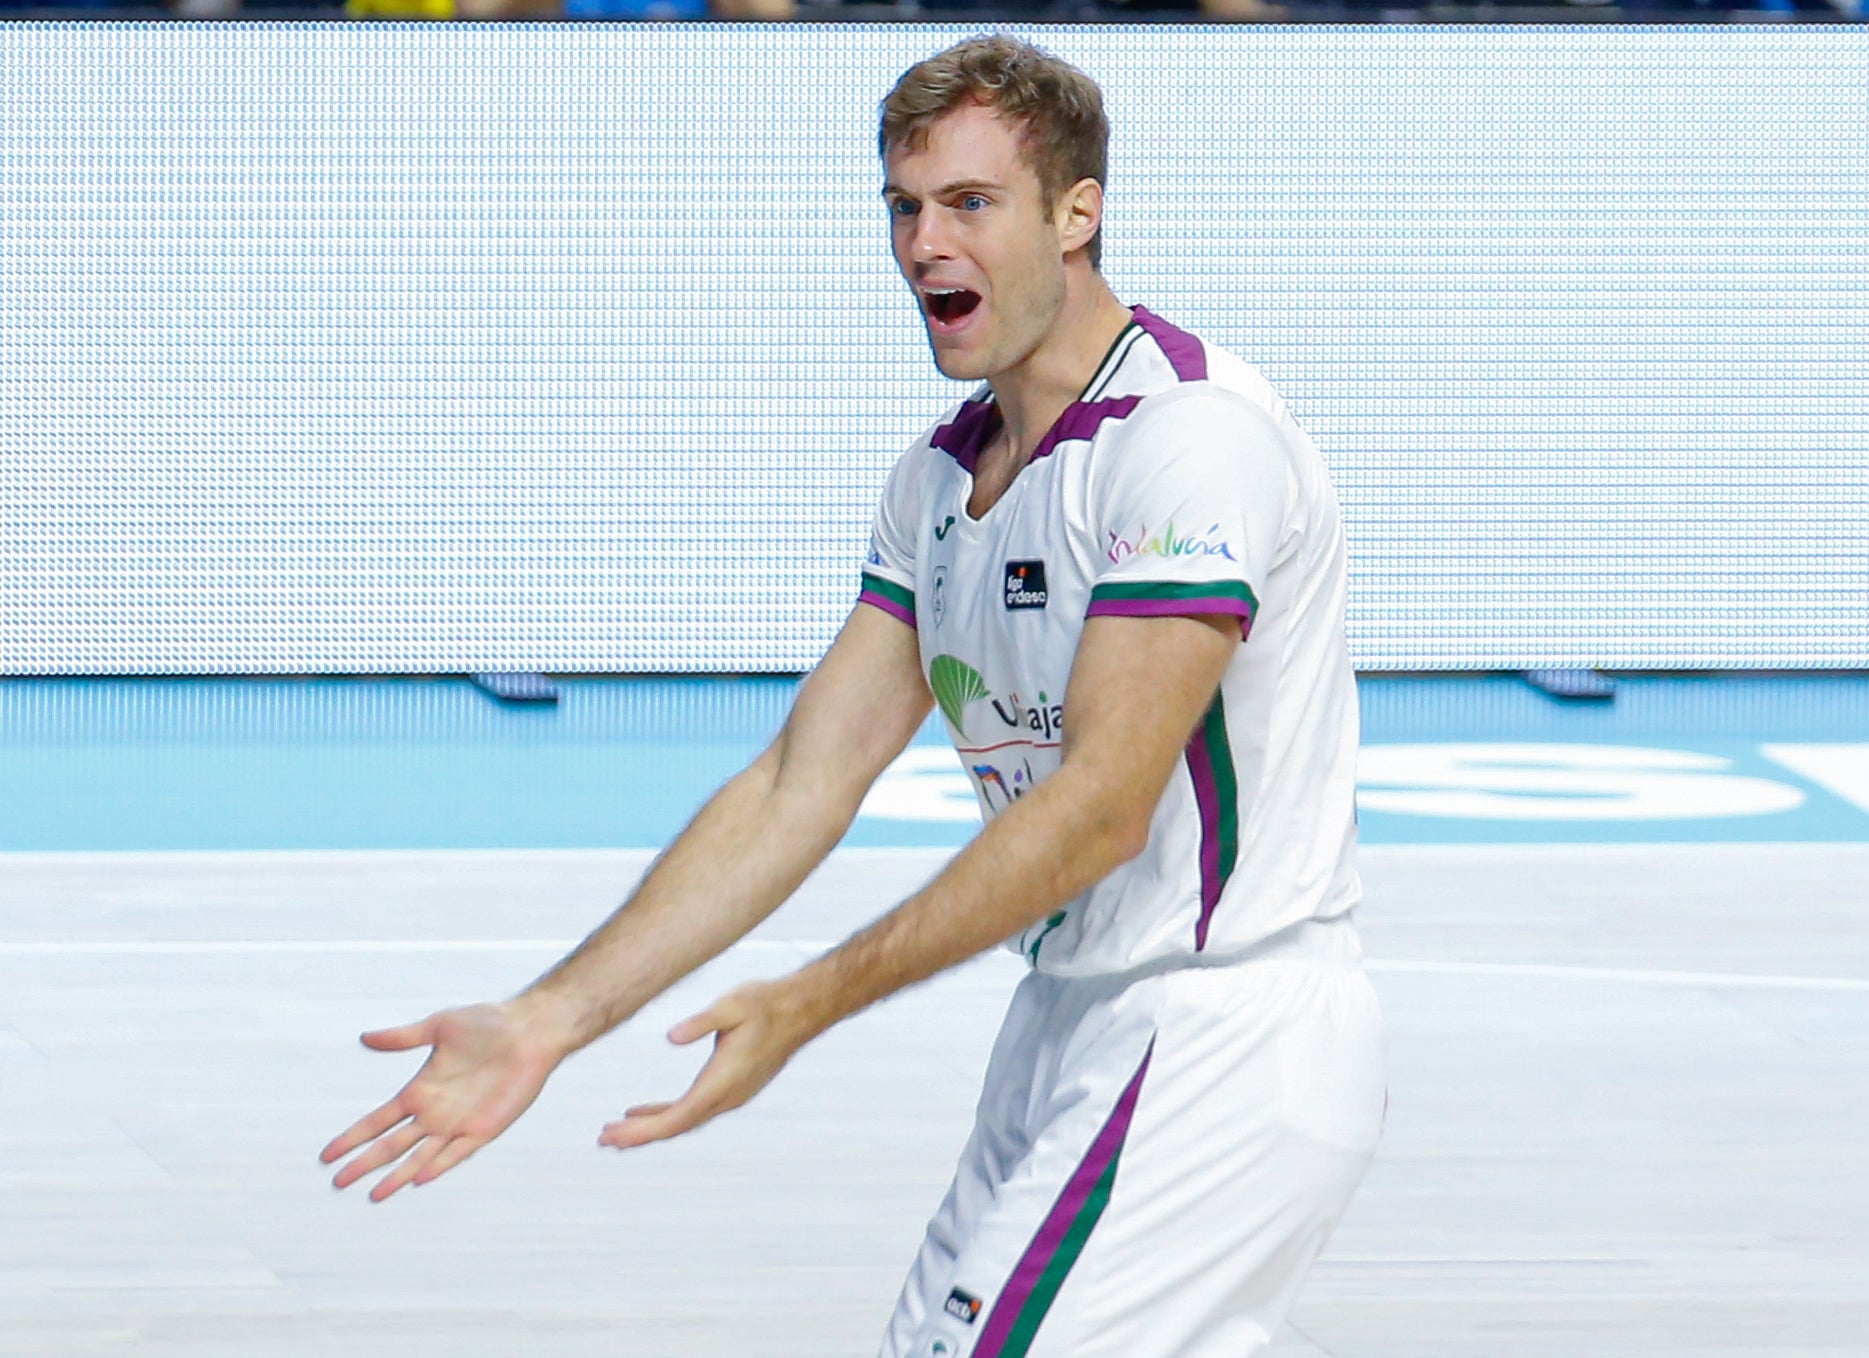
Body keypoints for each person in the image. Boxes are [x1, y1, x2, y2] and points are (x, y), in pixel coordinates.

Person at [322, 36, 1385, 1358]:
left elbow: (1101, 809)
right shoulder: (937, 483)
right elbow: (796, 784)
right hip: (1069, 1017)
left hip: (1213, 1026)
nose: (924, 242)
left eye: (970, 204)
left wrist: (809, 999)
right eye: (904, 204)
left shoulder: (1186, 438)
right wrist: (552, 1015)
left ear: (1077, 212)